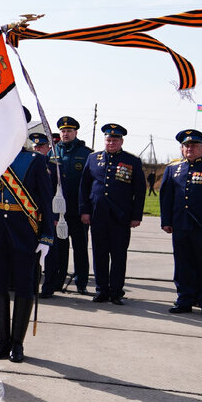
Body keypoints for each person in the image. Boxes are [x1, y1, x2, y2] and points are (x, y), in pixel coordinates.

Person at [0, 112, 54, 363]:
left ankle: (17, 344)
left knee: (23, 284)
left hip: (24, 228)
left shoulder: (35, 160)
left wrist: (47, 237)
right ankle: (1, 340)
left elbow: (45, 202)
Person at [160, 130, 202, 318]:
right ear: (182, 148)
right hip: (180, 224)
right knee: (182, 264)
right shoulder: (173, 169)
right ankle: (185, 299)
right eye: (186, 146)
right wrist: (166, 221)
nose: (190, 149)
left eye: (194, 146)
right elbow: (166, 197)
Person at [79, 123, 146, 306]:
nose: (111, 143)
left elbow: (139, 191)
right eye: (108, 140)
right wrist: (84, 210)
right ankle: (101, 290)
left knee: (118, 255)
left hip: (120, 216)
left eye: (115, 140)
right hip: (97, 215)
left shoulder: (132, 161)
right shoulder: (93, 158)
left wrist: (136, 215)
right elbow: (84, 186)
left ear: (121, 141)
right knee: (99, 255)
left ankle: (116, 292)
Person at [50, 116, 93, 295]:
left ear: (75, 132)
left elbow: (90, 185)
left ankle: (81, 282)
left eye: (69, 131)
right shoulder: (52, 152)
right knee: (60, 249)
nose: (65, 134)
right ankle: (58, 281)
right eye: (63, 131)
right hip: (59, 212)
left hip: (78, 211)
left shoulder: (86, 154)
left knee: (80, 248)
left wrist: (86, 211)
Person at [29, 131, 63, 299]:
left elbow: (59, 194)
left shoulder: (54, 166)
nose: (37, 149)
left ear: (48, 148)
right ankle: (32, 284)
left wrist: (56, 216)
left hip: (49, 215)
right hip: (31, 215)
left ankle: (48, 287)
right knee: (31, 252)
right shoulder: (28, 163)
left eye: (41, 146)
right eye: (35, 146)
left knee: (49, 252)